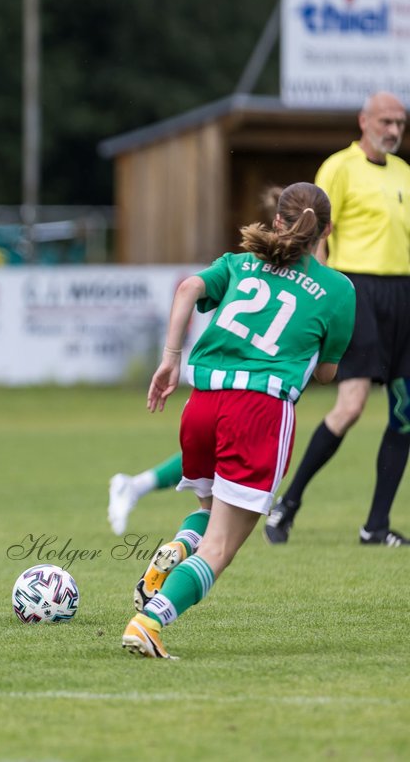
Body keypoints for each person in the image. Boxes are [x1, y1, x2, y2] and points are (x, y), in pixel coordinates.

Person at [122, 182, 354, 658]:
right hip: (258, 411)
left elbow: (188, 287)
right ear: (327, 230)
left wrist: (170, 357)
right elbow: (329, 373)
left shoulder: (240, 262)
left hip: (203, 403)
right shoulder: (338, 289)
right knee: (223, 546)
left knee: (209, 517)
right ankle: (151, 619)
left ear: (277, 222)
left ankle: (173, 554)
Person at [265, 92, 410, 547]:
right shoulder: (339, 168)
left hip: (403, 295)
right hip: (358, 292)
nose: (394, 130)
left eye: (400, 122)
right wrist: (321, 292)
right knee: (349, 407)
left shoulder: (405, 172)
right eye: (385, 121)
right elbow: (319, 236)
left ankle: (376, 526)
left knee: (406, 415)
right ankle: (288, 504)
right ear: (363, 121)